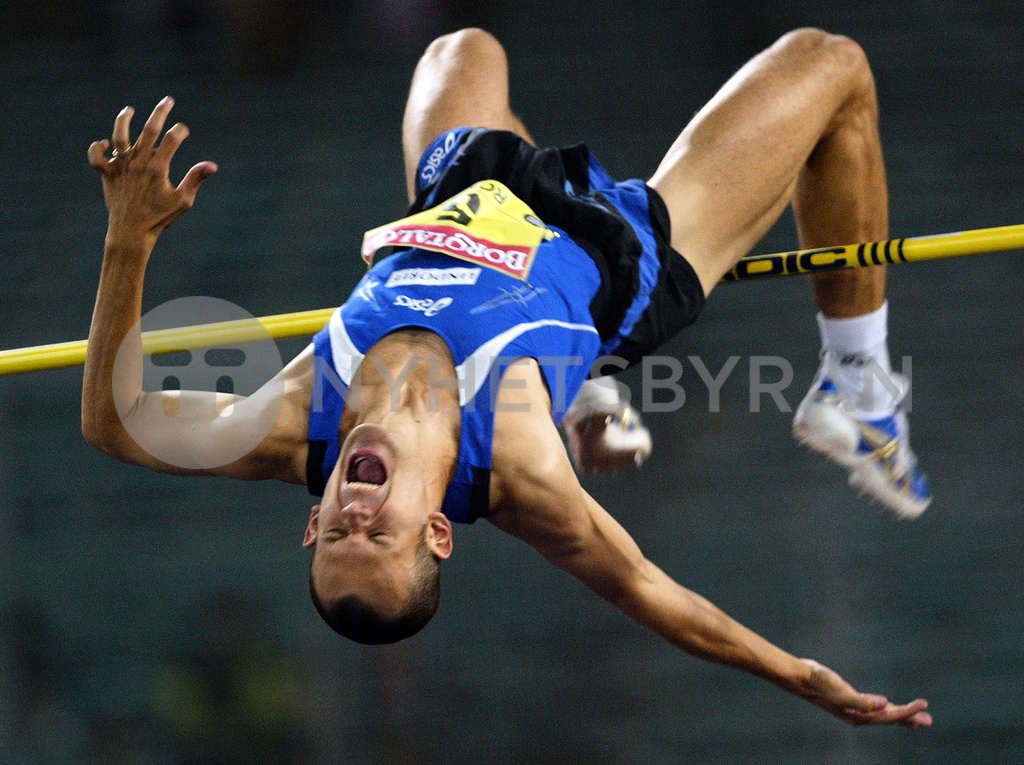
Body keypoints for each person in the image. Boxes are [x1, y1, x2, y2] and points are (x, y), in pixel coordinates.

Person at [83, 27, 932, 727]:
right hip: (613, 256)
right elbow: (649, 590)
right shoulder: (521, 475)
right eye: (379, 537)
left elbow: (114, 424)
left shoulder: (292, 423)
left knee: (463, 49)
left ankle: (581, 388)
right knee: (833, 64)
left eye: (337, 536)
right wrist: (800, 675)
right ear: (437, 532)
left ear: (313, 524)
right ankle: (859, 388)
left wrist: (129, 239)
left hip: (467, 202)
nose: (356, 514)